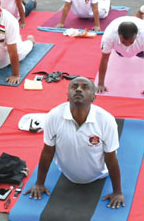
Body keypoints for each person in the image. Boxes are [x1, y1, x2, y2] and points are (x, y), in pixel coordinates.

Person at [25, 77, 124, 208]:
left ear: (93, 97)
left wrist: (117, 192)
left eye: (85, 87)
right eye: (74, 86)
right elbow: (48, 151)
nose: (78, 89)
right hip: (67, 175)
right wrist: (39, 183)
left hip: (98, 175)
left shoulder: (106, 120)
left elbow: (110, 158)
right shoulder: (53, 116)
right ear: (67, 96)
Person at [96, 16, 144, 96]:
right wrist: (100, 84)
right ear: (118, 35)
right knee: (122, 54)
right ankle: (122, 51)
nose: (127, 45)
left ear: (136, 35)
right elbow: (104, 59)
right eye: (124, 42)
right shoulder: (109, 36)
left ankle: (137, 50)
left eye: (130, 42)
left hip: (139, 50)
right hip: (119, 50)